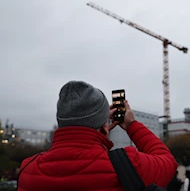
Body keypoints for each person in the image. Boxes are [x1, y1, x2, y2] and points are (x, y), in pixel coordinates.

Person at [17, 81, 178, 191]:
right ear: (104, 126)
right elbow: (168, 162)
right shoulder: (126, 165)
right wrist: (131, 125)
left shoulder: (27, 169)